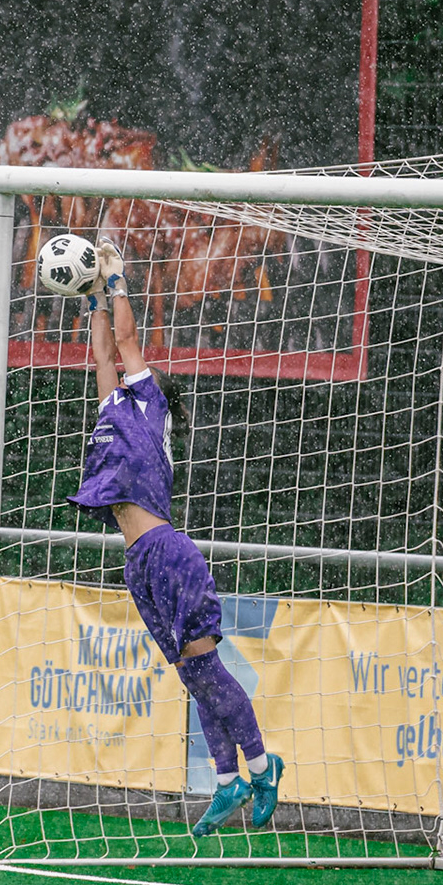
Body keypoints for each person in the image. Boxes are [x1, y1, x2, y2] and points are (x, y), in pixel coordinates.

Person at [68, 240, 285, 837]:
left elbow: (130, 344)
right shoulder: (114, 403)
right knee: (193, 677)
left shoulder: (149, 405)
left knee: (208, 671)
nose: (124, 365)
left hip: (169, 553)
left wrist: (115, 279)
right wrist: (91, 302)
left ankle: (263, 767)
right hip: (139, 563)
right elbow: (105, 356)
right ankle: (225, 782)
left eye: (136, 369)